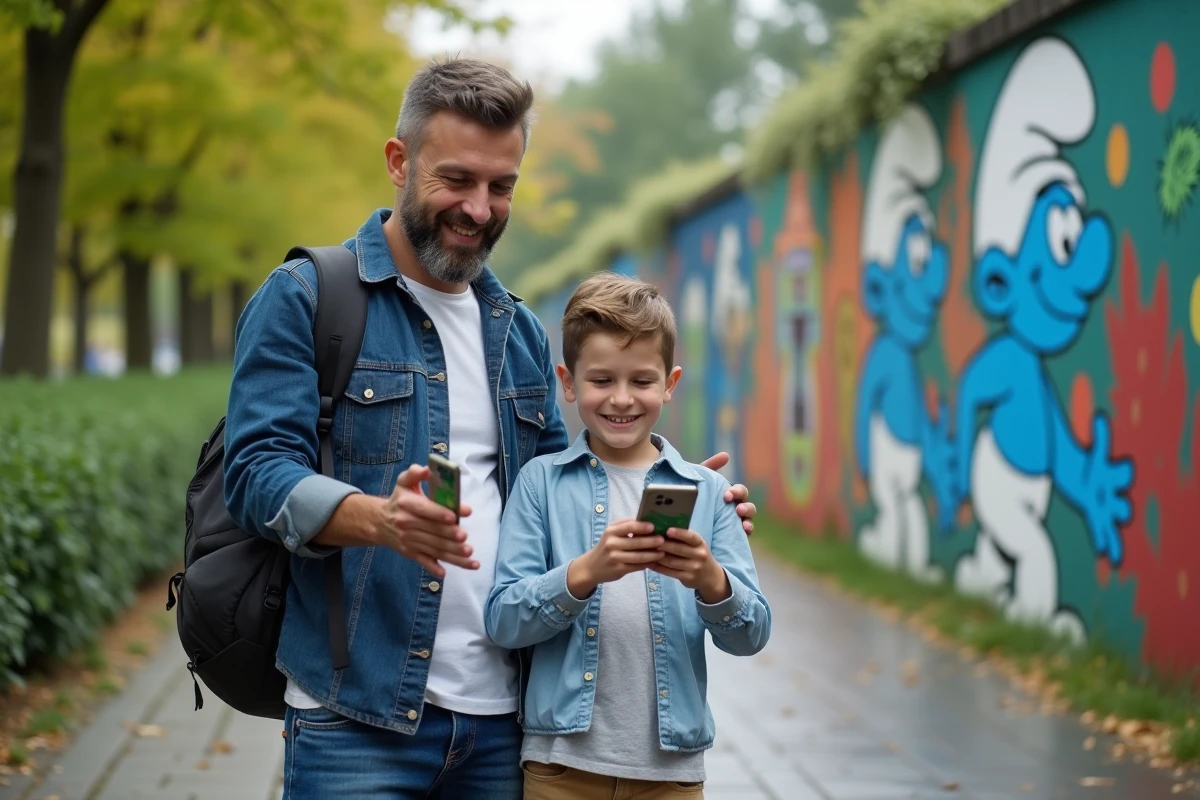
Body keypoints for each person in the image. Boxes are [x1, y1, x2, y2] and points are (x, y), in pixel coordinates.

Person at [222, 57, 757, 800]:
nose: (479, 208)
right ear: (398, 161)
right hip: (356, 719)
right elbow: (255, 475)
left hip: (508, 724)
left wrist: (678, 499)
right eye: (457, 179)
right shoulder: (307, 297)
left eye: (501, 186)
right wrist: (379, 520)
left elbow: (560, 496)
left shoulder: (521, 334)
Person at [485, 272, 772, 799]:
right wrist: (584, 573)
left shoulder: (708, 492)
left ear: (670, 383)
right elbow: (503, 619)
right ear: (568, 383)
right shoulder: (540, 484)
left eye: (641, 381)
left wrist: (712, 580)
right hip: (560, 769)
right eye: (601, 380)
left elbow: (751, 635)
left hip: (672, 775)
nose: (621, 399)